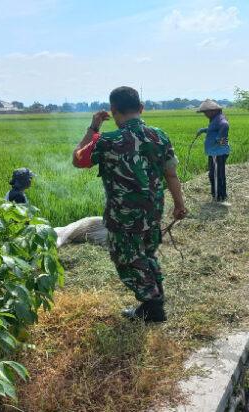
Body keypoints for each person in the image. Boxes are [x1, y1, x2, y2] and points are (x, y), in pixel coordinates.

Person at [72, 86, 188, 323]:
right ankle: (156, 297)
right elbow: (171, 174)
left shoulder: (108, 140)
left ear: (113, 111)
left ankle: (153, 306)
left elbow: (78, 160)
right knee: (147, 252)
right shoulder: (159, 136)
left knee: (126, 257)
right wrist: (179, 204)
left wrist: (94, 127)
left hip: (123, 216)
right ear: (141, 108)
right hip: (153, 211)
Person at [196, 99, 230, 202]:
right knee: (217, 174)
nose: (205, 114)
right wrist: (204, 130)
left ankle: (218, 196)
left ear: (213, 111)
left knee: (215, 175)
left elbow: (225, 125)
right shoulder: (215, 119)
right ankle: (220, 195)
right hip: (215, 152)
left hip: (218, 153)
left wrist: (219, 139)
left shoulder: (220, 119)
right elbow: (214, 129)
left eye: (206, 112)